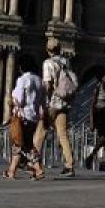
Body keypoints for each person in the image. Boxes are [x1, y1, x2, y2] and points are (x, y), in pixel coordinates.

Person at [40, 44, 78, 177]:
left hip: (53, 103)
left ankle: (32, 162)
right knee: (62, 134)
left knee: (41, 131)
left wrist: (44, 100)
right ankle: (69, 165)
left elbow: (48, 84)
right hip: (65, 103)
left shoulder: (48, 63)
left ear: (48, 50)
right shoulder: (66, 62)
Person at [5, 58, 45, 180]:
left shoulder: (23, 80)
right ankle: (11, 172)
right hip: (34, 117)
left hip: (22, 116)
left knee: (24, 144)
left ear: (22, 68)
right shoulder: (39, 81)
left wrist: (12, 99)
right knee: (20, 144)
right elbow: (43, 101)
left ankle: (38, 170)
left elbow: (19, 99)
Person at [83, 70, 105, 172]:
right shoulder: (98, 87)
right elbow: (92, 104)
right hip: (100, 115)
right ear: (101, 78)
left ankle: (103, 163)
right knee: (103, 138)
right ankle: (91, 156)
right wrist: (92, 121)